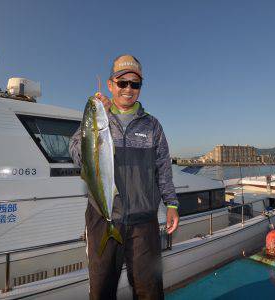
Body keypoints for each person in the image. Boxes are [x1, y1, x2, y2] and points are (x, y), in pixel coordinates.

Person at [69, 54, 179, 300]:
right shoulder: (99, 120)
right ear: (111, 85)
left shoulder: (152, 126)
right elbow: (77, 154)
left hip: (144, 221)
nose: (128, 89)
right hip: (103, 218)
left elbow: (163, 168)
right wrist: (96, 118)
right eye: (122, 82)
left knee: (149, 290)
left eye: (135, 84)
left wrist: (172, 204)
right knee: (101, 290)